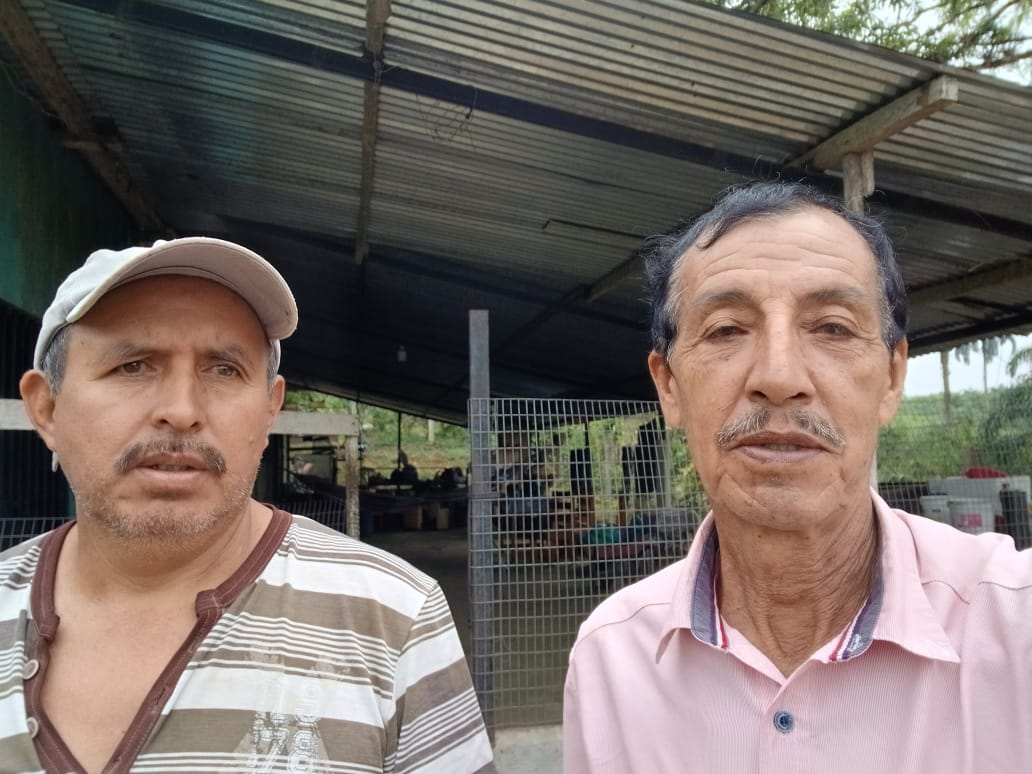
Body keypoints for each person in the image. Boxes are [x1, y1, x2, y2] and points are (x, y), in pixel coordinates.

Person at [563, 182, 1032, 773]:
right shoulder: (612, 659)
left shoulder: (1014, 629)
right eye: (726, 330)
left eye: (833, 328)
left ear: (892, 379)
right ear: (669, 386)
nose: (780, 378)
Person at [4, 237, 495, 773]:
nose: (181, 411)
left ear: (268, 412)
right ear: (47, 409)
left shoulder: (392, 618)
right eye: (133, 365)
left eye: (223, 370)